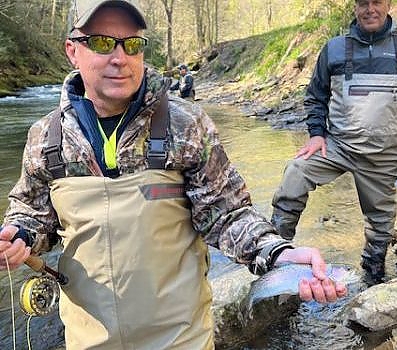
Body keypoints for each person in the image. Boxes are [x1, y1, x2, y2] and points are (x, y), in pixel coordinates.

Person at [0, 1, 346, 349]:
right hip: (87, 340)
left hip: (182, 339)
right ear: (73, 51)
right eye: (103, 43)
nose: (120, 58)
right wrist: (19, 237)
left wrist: (277, 253)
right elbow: (31, 214)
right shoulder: (46, 138)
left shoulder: (186, 124)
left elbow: (227, 214)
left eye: (131, 44)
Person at [271, 0, 397, 285]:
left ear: (388, 5)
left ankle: (373, 275)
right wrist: (317, 134)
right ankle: (275, 254)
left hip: (383, 154)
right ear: (355, 8)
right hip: (337, 146)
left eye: (377, 2)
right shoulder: (334, 48)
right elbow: (315, 96)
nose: (370, 9)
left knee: (380, 222)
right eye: (363, 3)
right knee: (296, 173)